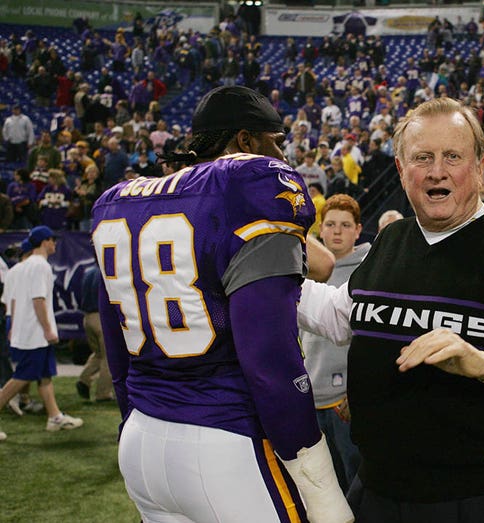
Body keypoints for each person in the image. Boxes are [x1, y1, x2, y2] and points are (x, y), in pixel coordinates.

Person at [297, 97, 484, 522]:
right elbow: (342, 314)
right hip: (380, 486)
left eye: (453, 156)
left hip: (481, 495)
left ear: (480, 166)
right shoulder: (391, 241)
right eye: (422, 157)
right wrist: (264, 281)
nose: (437, 171)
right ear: (400, 169)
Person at [91, 85, 351, 522]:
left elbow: (118, 354)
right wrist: (320, 482)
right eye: (276, 142)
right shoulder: (251, 183)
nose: (282, 155)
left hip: (141, 440)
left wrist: (133, 421)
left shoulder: (117, 201)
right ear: (247, 141)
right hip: (226, 439)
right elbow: (269, 360)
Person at [301, 194, 370, 493]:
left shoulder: (368, 270)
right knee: (322, 489)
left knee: (355, 483)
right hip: (311, 398)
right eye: (330, 224)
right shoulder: (304, 269)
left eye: (345, 224)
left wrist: (357, 390)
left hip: (346, 401)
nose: (337, 231)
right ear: (321, 230)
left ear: (358, 230)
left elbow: (369, 341)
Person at [0, 226, 84, 438]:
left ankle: (54, 417)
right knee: (21, 378)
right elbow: (38, 300)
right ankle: (54, 416)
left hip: (27, 330)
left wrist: (15, 328)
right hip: (35, 334)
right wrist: (48, 330)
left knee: (45, 376)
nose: (54, 243)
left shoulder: (22, 267)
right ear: (44, 241)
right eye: (52, 240)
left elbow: (14, 302)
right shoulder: (40, 266)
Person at [75, 265, 112, 402]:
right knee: (109, 357)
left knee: (98, 354)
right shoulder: (106, 272)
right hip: (102, 318)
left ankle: (84, 380)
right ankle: (103, 393)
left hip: (88, 317)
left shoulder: (88, 272)